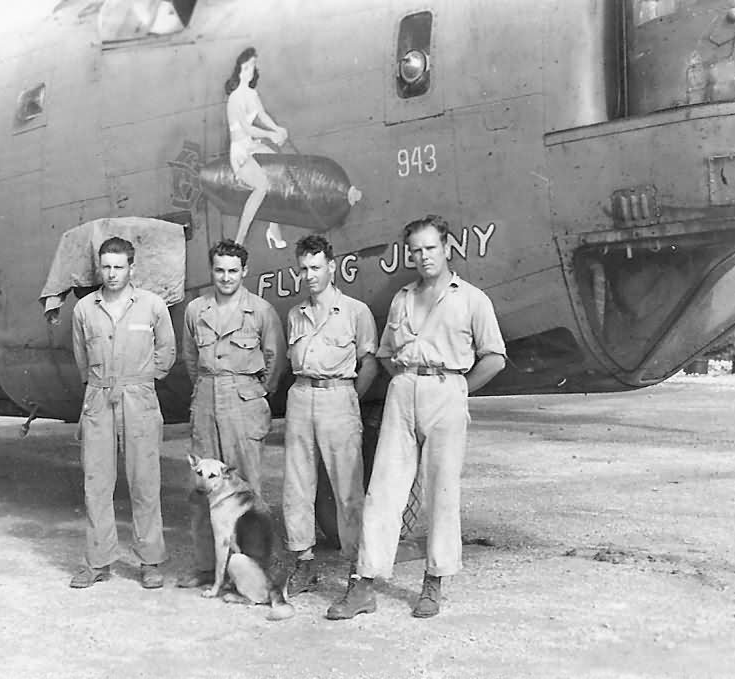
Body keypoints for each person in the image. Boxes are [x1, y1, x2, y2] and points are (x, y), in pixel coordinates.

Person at [326, 215, 507, 619]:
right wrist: (408, 382)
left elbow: (494, 357)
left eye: (430, 248)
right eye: (416, 251)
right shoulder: (402, 298)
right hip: (403, 391)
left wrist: (458, 388)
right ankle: (364, 585)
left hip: (447, 392)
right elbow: (388, 353)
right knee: (383, 490)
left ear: (447, 248)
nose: (423, 257)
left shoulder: (471, 299)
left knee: (442, 493)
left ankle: (434, 581)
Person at [177, 238, 286, 589]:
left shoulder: (261, 311)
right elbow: (191, 359)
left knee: (248, 494)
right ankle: (208, 568)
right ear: (212, 271)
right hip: (207, 400)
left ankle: (253, 571)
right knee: (202, 491)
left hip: (244, 402)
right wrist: (208, 389)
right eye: (219, 270)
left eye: (233, 271)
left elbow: (274, 358)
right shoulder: (196, 310)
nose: (226, 277)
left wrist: (254, 393)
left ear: (245, 271)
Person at [69, 237, 176, 589]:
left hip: (139, 398)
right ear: (99, 268)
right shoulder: (85, 309)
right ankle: (99, 561)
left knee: (145, 481)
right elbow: (82, 360)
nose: (112, 274)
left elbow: (167, 352)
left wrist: (142, 381)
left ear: (132, 267)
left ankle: (150, 561)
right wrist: (100, 387)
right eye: (106, 266)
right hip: (98, 398)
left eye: (119, 266)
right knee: (96, 483)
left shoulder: (152, 306)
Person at [282, 235, 378, 595]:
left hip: (338, 397)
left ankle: (356, 571)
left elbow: (369, 363)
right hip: (300, 395)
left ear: (332, 267)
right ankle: (304, 564)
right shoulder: (295, 314)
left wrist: (350, 399)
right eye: (304, 268)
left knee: (348, 489)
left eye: (316, 267)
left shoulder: (355, 311)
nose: (309, 275)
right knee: (296, 486)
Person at [225, 46, 289, 249]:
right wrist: (270, 135)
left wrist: (278, 129)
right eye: (249, 65)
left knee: (281, 171)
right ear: (241, 68)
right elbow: (247, 129)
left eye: (254, 64)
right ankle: (239, 242)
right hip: (241, 152)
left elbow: (262, 115)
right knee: (262, 186)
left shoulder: (252, 93)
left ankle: (273, 228)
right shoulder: (235, 98)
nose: (252, 68)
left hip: (253, 147)